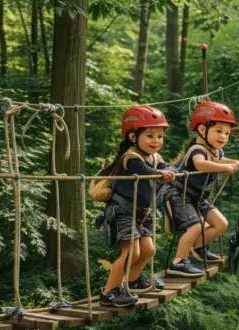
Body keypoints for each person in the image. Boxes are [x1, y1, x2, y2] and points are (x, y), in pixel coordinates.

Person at [96, 106, 176, 307]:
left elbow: (164, 166)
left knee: (148, 250)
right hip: (123, 211)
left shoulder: (154, 157)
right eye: (150, 135)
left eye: (159, 136)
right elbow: (145, 171)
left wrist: (170, 170)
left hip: (142, 212)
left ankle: (133, 280)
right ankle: (109, 292)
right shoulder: (130, 158)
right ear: (133, 137)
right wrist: (163, 174)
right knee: (132, 252)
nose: (156, 140)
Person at [161, 101, 239, 278]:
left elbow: (219, 161)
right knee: (195, 226)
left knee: (221, 224)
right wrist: (226, 168)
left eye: (227, 133)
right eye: (219, 131)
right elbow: (200, 164)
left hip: (196, 198)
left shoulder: (216, 151)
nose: (223, 137)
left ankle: (199, 249)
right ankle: (178, 262)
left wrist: (235, 162)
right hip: (179, 194)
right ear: (202, 130)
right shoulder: (196, 149)